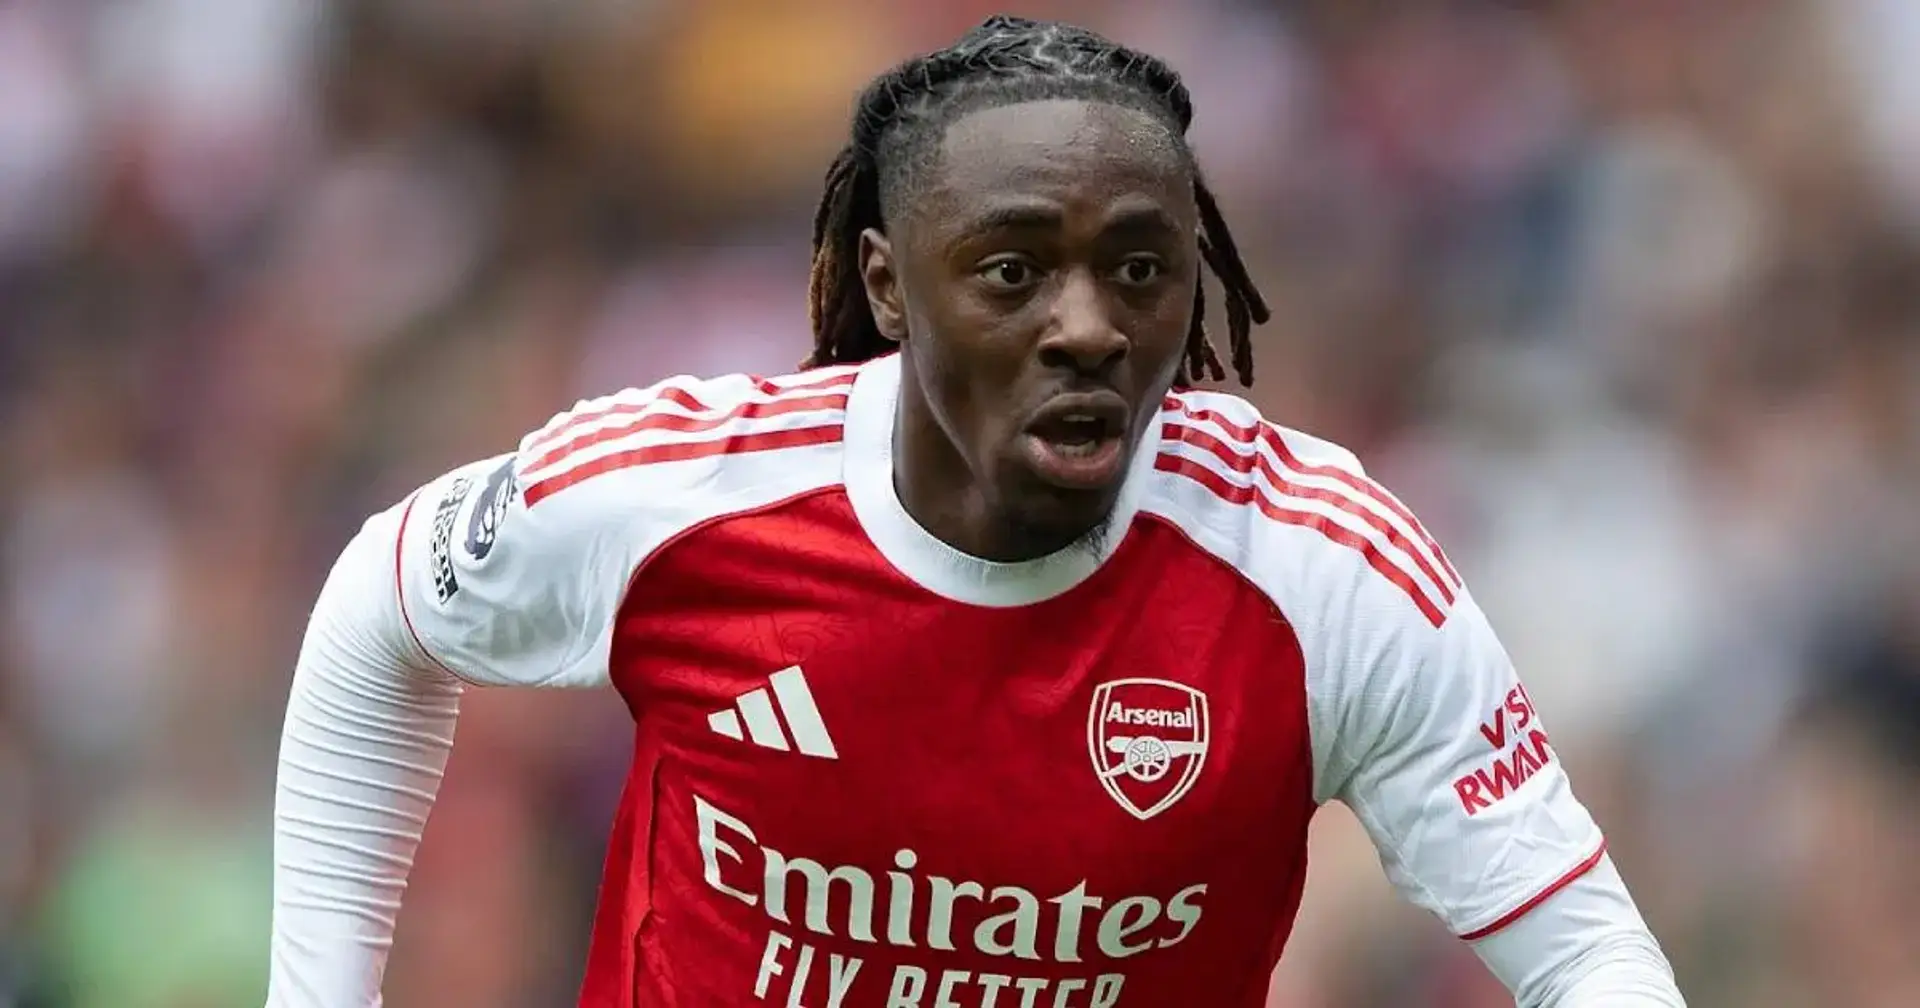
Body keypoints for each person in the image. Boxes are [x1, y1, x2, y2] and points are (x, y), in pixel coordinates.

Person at [266, 16, 1685, 1007]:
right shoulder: (678, 498)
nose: (1089, 327)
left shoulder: (1321, 573)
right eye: (1012, 273)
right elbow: (376, 614)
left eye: (1140, 270)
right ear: (888, 289)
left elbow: (1587, 960)